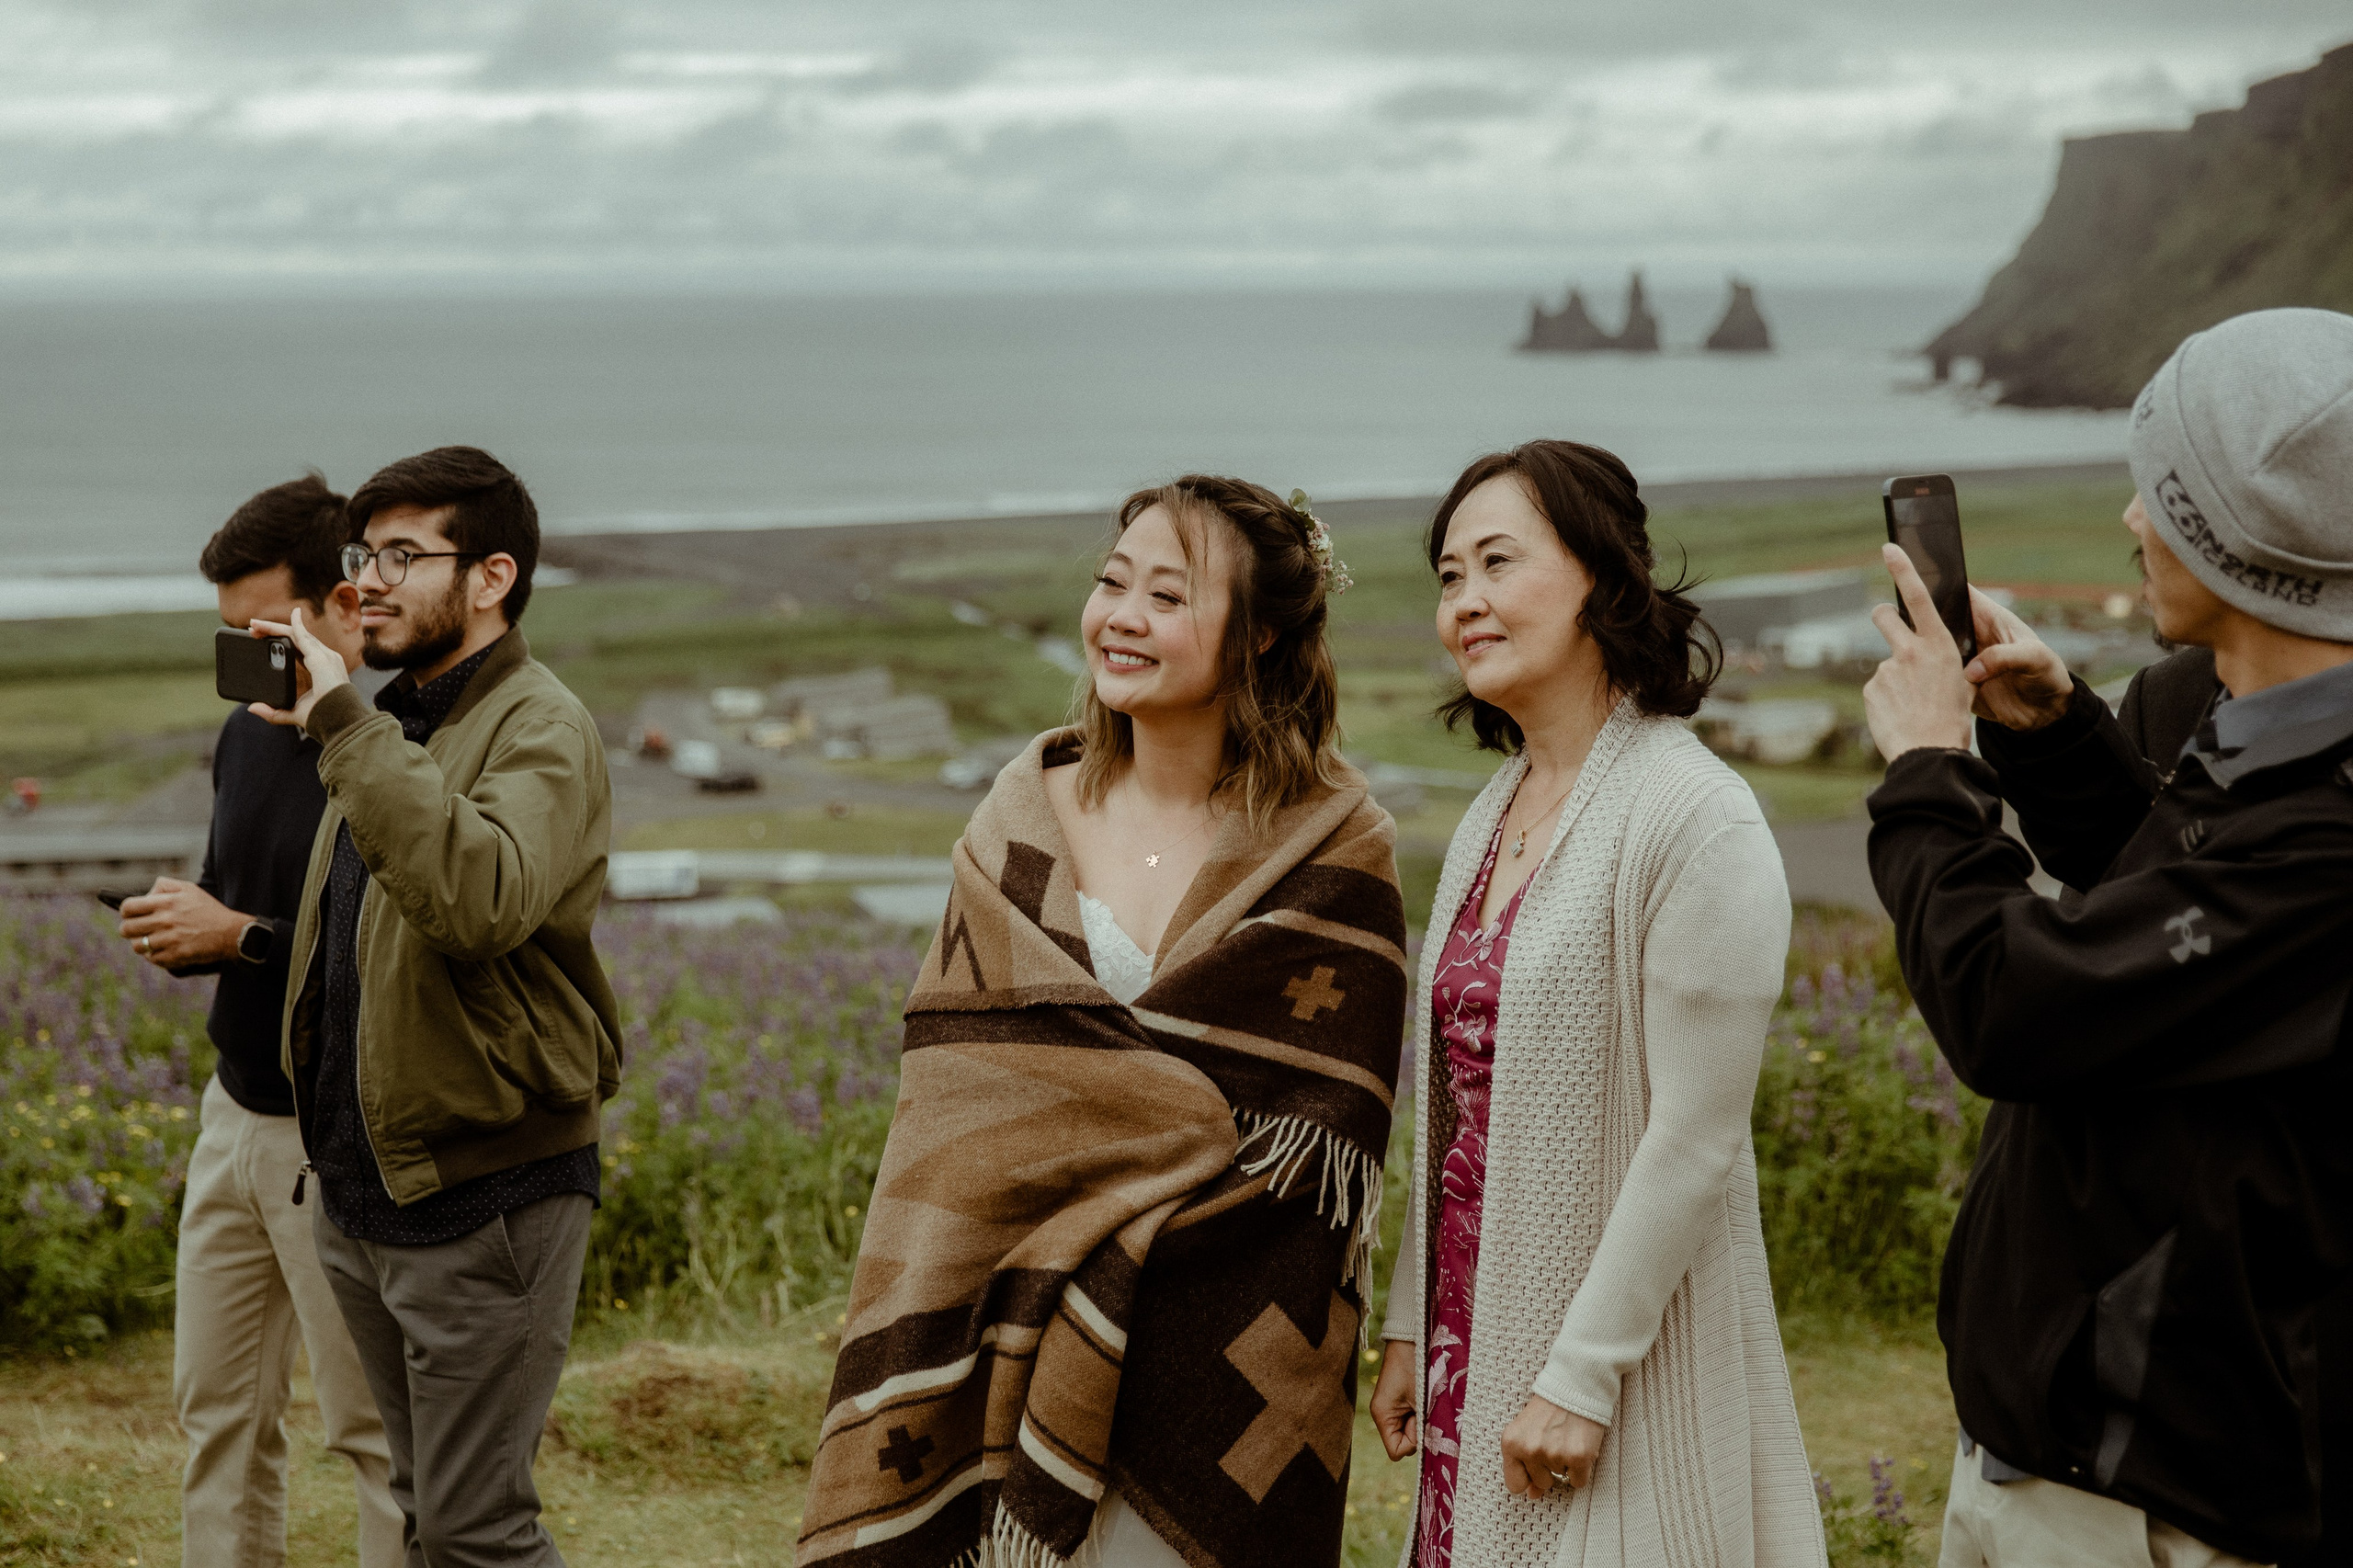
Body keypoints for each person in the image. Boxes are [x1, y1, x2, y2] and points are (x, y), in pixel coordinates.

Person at [795, 478, 1408, 1568]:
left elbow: (1319, 1146)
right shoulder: (1018, 821)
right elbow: (954, 1106)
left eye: (1167, 595)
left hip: (1220, 1360)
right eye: (1109, 581)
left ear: (1260, 633)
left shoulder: (1334, 845)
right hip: (992, 1323)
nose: (1120, 616)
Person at [1860, 307, 2353, 1567]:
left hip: (2159, 1503)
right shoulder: (2224, 712)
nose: (2132, 521)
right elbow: (2185, 930)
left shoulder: (2329, 840)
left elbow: (2015, 1003)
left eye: (2160, 495)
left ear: (2236, 540)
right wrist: (2059, 733)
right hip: (2050, 1459)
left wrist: (1930, 766)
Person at [1368, 439, 1824, 1567]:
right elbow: (1456, 1114)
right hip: (1471, 1337)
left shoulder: (1691, 814)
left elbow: (1694, 1136)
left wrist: (1580, 1376)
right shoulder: (1492, 810)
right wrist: (1408, 1321)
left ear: (1602, 576)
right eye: (1445, 576)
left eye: (1495, 563)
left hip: (1615, 1363)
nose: (1464, 600)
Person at [251, 446, 622, 1568]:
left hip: (486, 1192)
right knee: (425, 1513)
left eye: (404, 555)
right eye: (366, 554)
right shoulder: (405, 719)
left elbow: (478, 900)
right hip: (370, 1189)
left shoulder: (538, 725)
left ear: (493, 576)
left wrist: (344, 727)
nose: (368, 580)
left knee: (478, 1527)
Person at [118, 475, 404, 1568]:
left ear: (344, 606)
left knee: (372, 1435)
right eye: (232, 635)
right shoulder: (242, 739)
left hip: (335, 1136)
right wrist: (184, 923)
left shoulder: (388, 750)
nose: (250, 660)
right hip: (228, 1117)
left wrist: (235, 936)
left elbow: (393, 959)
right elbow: (233, 892)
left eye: (267, 632)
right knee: (218, 1417)